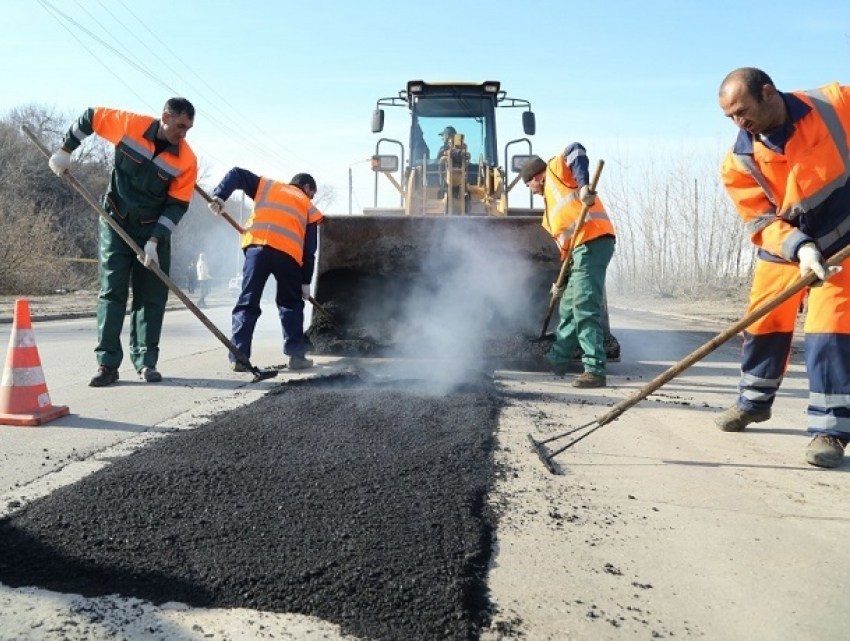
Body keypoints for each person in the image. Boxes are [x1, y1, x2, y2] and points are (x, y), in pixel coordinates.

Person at [715, 67, 850, 469]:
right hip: (789, 246)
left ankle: (830, 429)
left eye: (743, 111)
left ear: (769, 93)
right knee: (763, 320)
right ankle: (753, 402)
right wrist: (799, 247)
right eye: (731, 117)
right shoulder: (738, 161)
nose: (740, 122)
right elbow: (758, 220)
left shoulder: (835, 106)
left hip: (842, 242)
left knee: (829, 329)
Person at [48, 98, 198, 386]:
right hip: (115, 220)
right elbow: (90, 116)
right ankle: (107, 364)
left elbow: (177, 205)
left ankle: (146, 362)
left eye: (189, 128)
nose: (184, 134)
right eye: (180, 126)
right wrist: (66, 150)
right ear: (165, 117)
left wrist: (154, 241)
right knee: (112, 291)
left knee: (151, 297)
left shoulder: (186, 160)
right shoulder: (130, 125)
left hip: (152, 231)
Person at [207, 170, 324, 372]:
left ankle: (239, 357)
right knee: (290, 304)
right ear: (306, 188)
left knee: (247, 302)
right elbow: (309, 249)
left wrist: (220, 196)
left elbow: (237, 174)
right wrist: (305, 282)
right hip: (288, 256)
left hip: (257, 250)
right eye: (311, 193)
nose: (310, 197)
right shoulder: (308, 206)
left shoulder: (268, 185)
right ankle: (296, 357)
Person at [521, 145, 616, 388]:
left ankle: (594, 369)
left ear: (535, 177)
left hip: (593, 241)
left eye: (528, 185)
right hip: (578, 253)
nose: (530, 191)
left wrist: (584, 186)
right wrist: (560, 285)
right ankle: (557, 359)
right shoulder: (548, 214)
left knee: (584, 305)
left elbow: (576, 150)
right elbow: (566, 250)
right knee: (568, 307)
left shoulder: (555, 170)